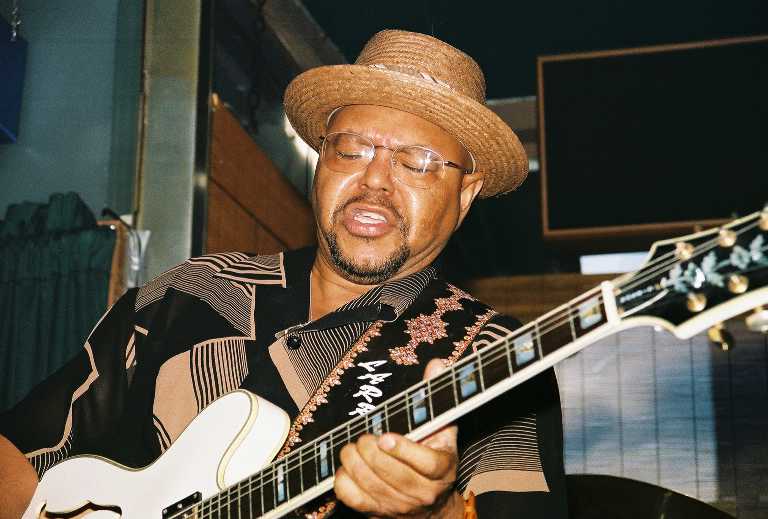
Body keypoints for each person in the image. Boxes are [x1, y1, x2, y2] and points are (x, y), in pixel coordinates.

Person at [0, 30, 567, 518]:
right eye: (351, 149)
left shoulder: (496, 356)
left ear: (465, 195)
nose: (375, 180)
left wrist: (432, 511)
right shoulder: (195, 288)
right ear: (320, 161)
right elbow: (18, 451)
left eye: (417, 162)